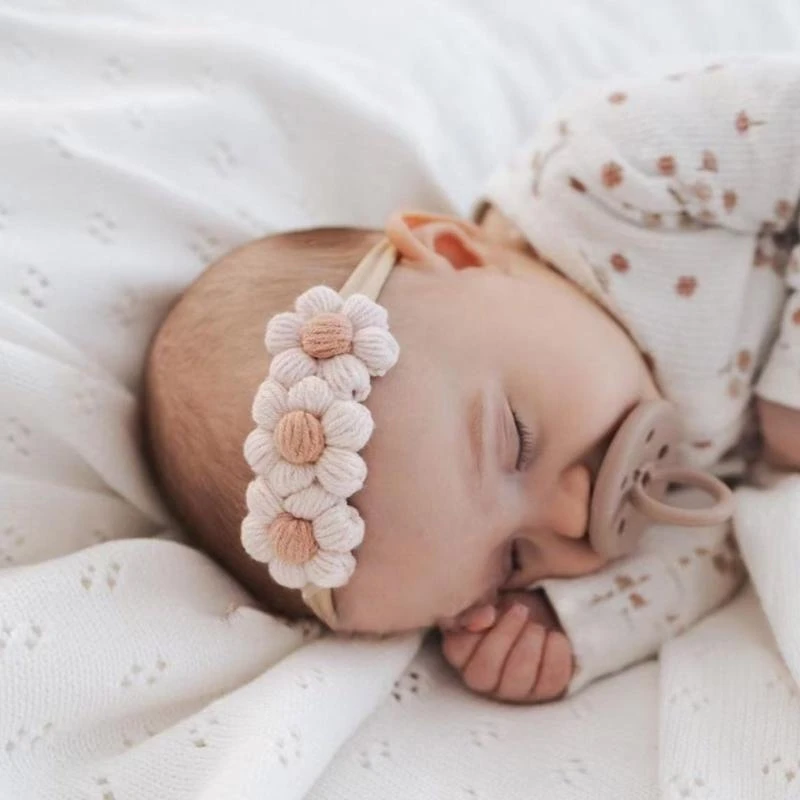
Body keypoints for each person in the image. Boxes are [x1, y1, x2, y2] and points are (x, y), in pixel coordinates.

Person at [144, 56, 799, 704]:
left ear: (457, 253)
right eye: (515, 562)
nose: (575, 517)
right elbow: (717, 542)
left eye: (517, 439)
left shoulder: (611, 178)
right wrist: (577, 621)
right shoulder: (631, 483)